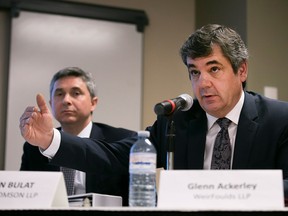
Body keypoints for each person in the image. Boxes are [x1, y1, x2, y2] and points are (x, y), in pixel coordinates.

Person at [19, 24, 288, 206]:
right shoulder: (178, 120)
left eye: (214, 69)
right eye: (195, 72)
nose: (202, 83)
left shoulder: (279, 120)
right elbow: (115, 157)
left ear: (241, 71)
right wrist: (50, 139)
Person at [19, 67, 136, 206]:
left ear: (93, 103)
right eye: (59, 94)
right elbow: (25, 201)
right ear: (51, 104)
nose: (66, 100)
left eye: (76, 93)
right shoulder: (35, 146)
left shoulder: (121, 140)